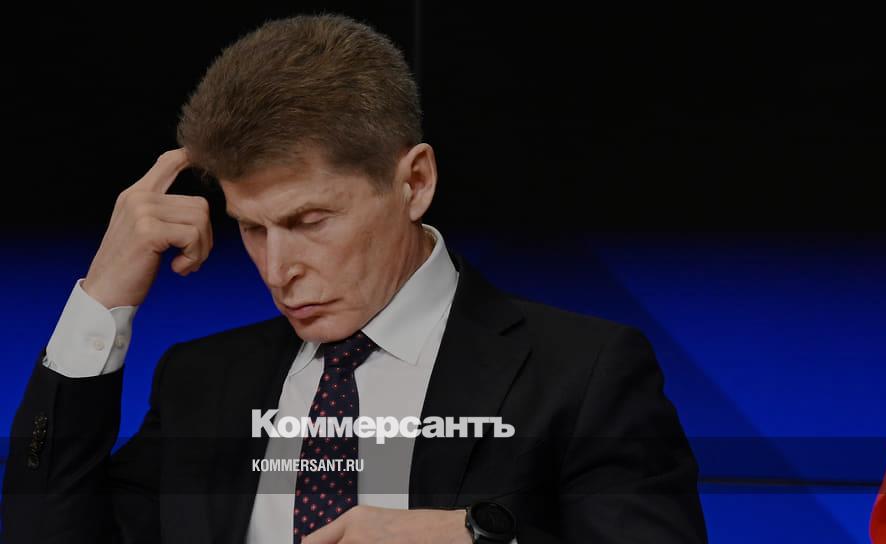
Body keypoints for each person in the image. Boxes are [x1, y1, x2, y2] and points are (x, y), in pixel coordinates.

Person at [1, 13, 707, 544]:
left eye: (309, 220)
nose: (278, 270)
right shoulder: (201, 382)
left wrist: (479, 537)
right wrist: (104, 294)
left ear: (415, 182)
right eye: (252, 228)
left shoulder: (581, 373)